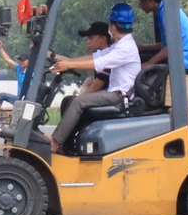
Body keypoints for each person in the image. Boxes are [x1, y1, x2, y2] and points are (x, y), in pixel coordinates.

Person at [48, 20, 140, 156]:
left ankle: (55, 142)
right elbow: (93, 57)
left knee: (78, 102)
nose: (88, 41)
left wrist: (70, 65)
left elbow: (98, 63)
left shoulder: (125, 48)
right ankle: (67, 146)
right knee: (70, 101)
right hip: (114, 92)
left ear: (113, 28)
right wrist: (65, 62)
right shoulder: (118, 46)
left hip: (121, 96)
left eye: (91, 38)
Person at [134, 0, 188, 109]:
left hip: (183, 62)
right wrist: (142, 48)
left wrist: (149, 63)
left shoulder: (167, 13)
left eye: (141, 1)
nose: (140, 5)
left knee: (147, 83)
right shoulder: (161, 11)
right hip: (179, 59)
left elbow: (171, 47)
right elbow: (163, 44)